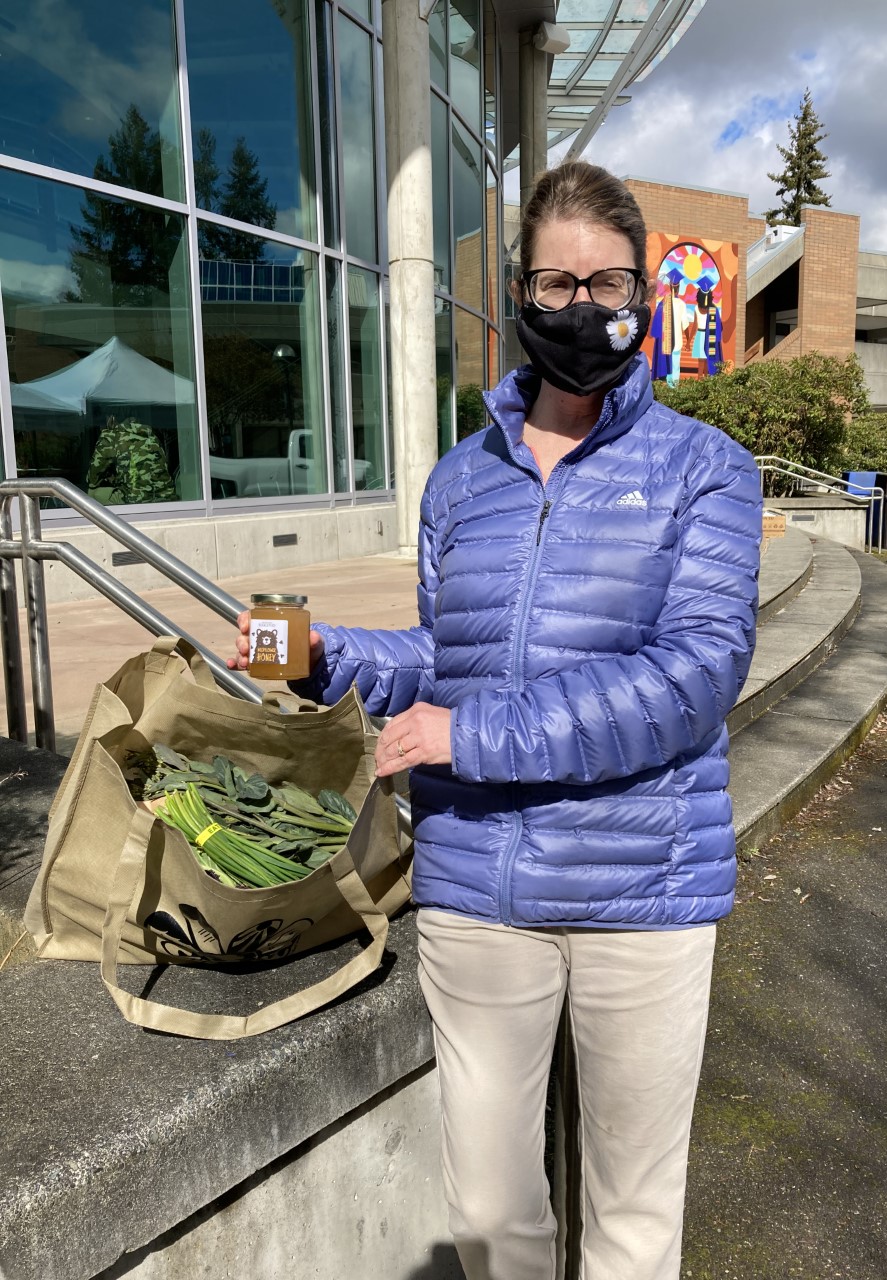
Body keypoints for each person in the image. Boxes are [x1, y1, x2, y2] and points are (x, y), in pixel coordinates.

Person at [230, 161, 762, 1280]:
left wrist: (466, 735)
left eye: (606, 279)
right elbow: (449, 656)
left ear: (645, 290)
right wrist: (338, 659)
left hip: (641, 895)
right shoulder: (459, 480)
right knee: (488, 1212)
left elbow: (694, 675)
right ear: (519, 295)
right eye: (554, 282)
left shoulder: (706, 472)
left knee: (631, 1222)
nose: (580, 305)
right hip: (482, 892)